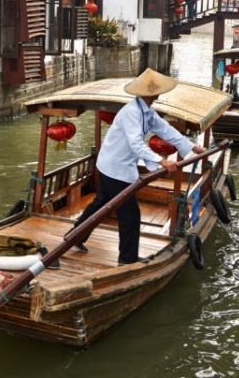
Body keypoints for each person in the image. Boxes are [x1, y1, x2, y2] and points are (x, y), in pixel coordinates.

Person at [68, 69, 206, 265]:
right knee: (130, 215)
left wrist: (192, 147)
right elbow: (136, 144)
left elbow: (165, 130)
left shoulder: (147, 110)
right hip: (116, 166)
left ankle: (75, 236)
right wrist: (162, 161)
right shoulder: (132, 112)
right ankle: (127, 258)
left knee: (100, 204)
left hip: (113, 164)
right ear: (152, 93)